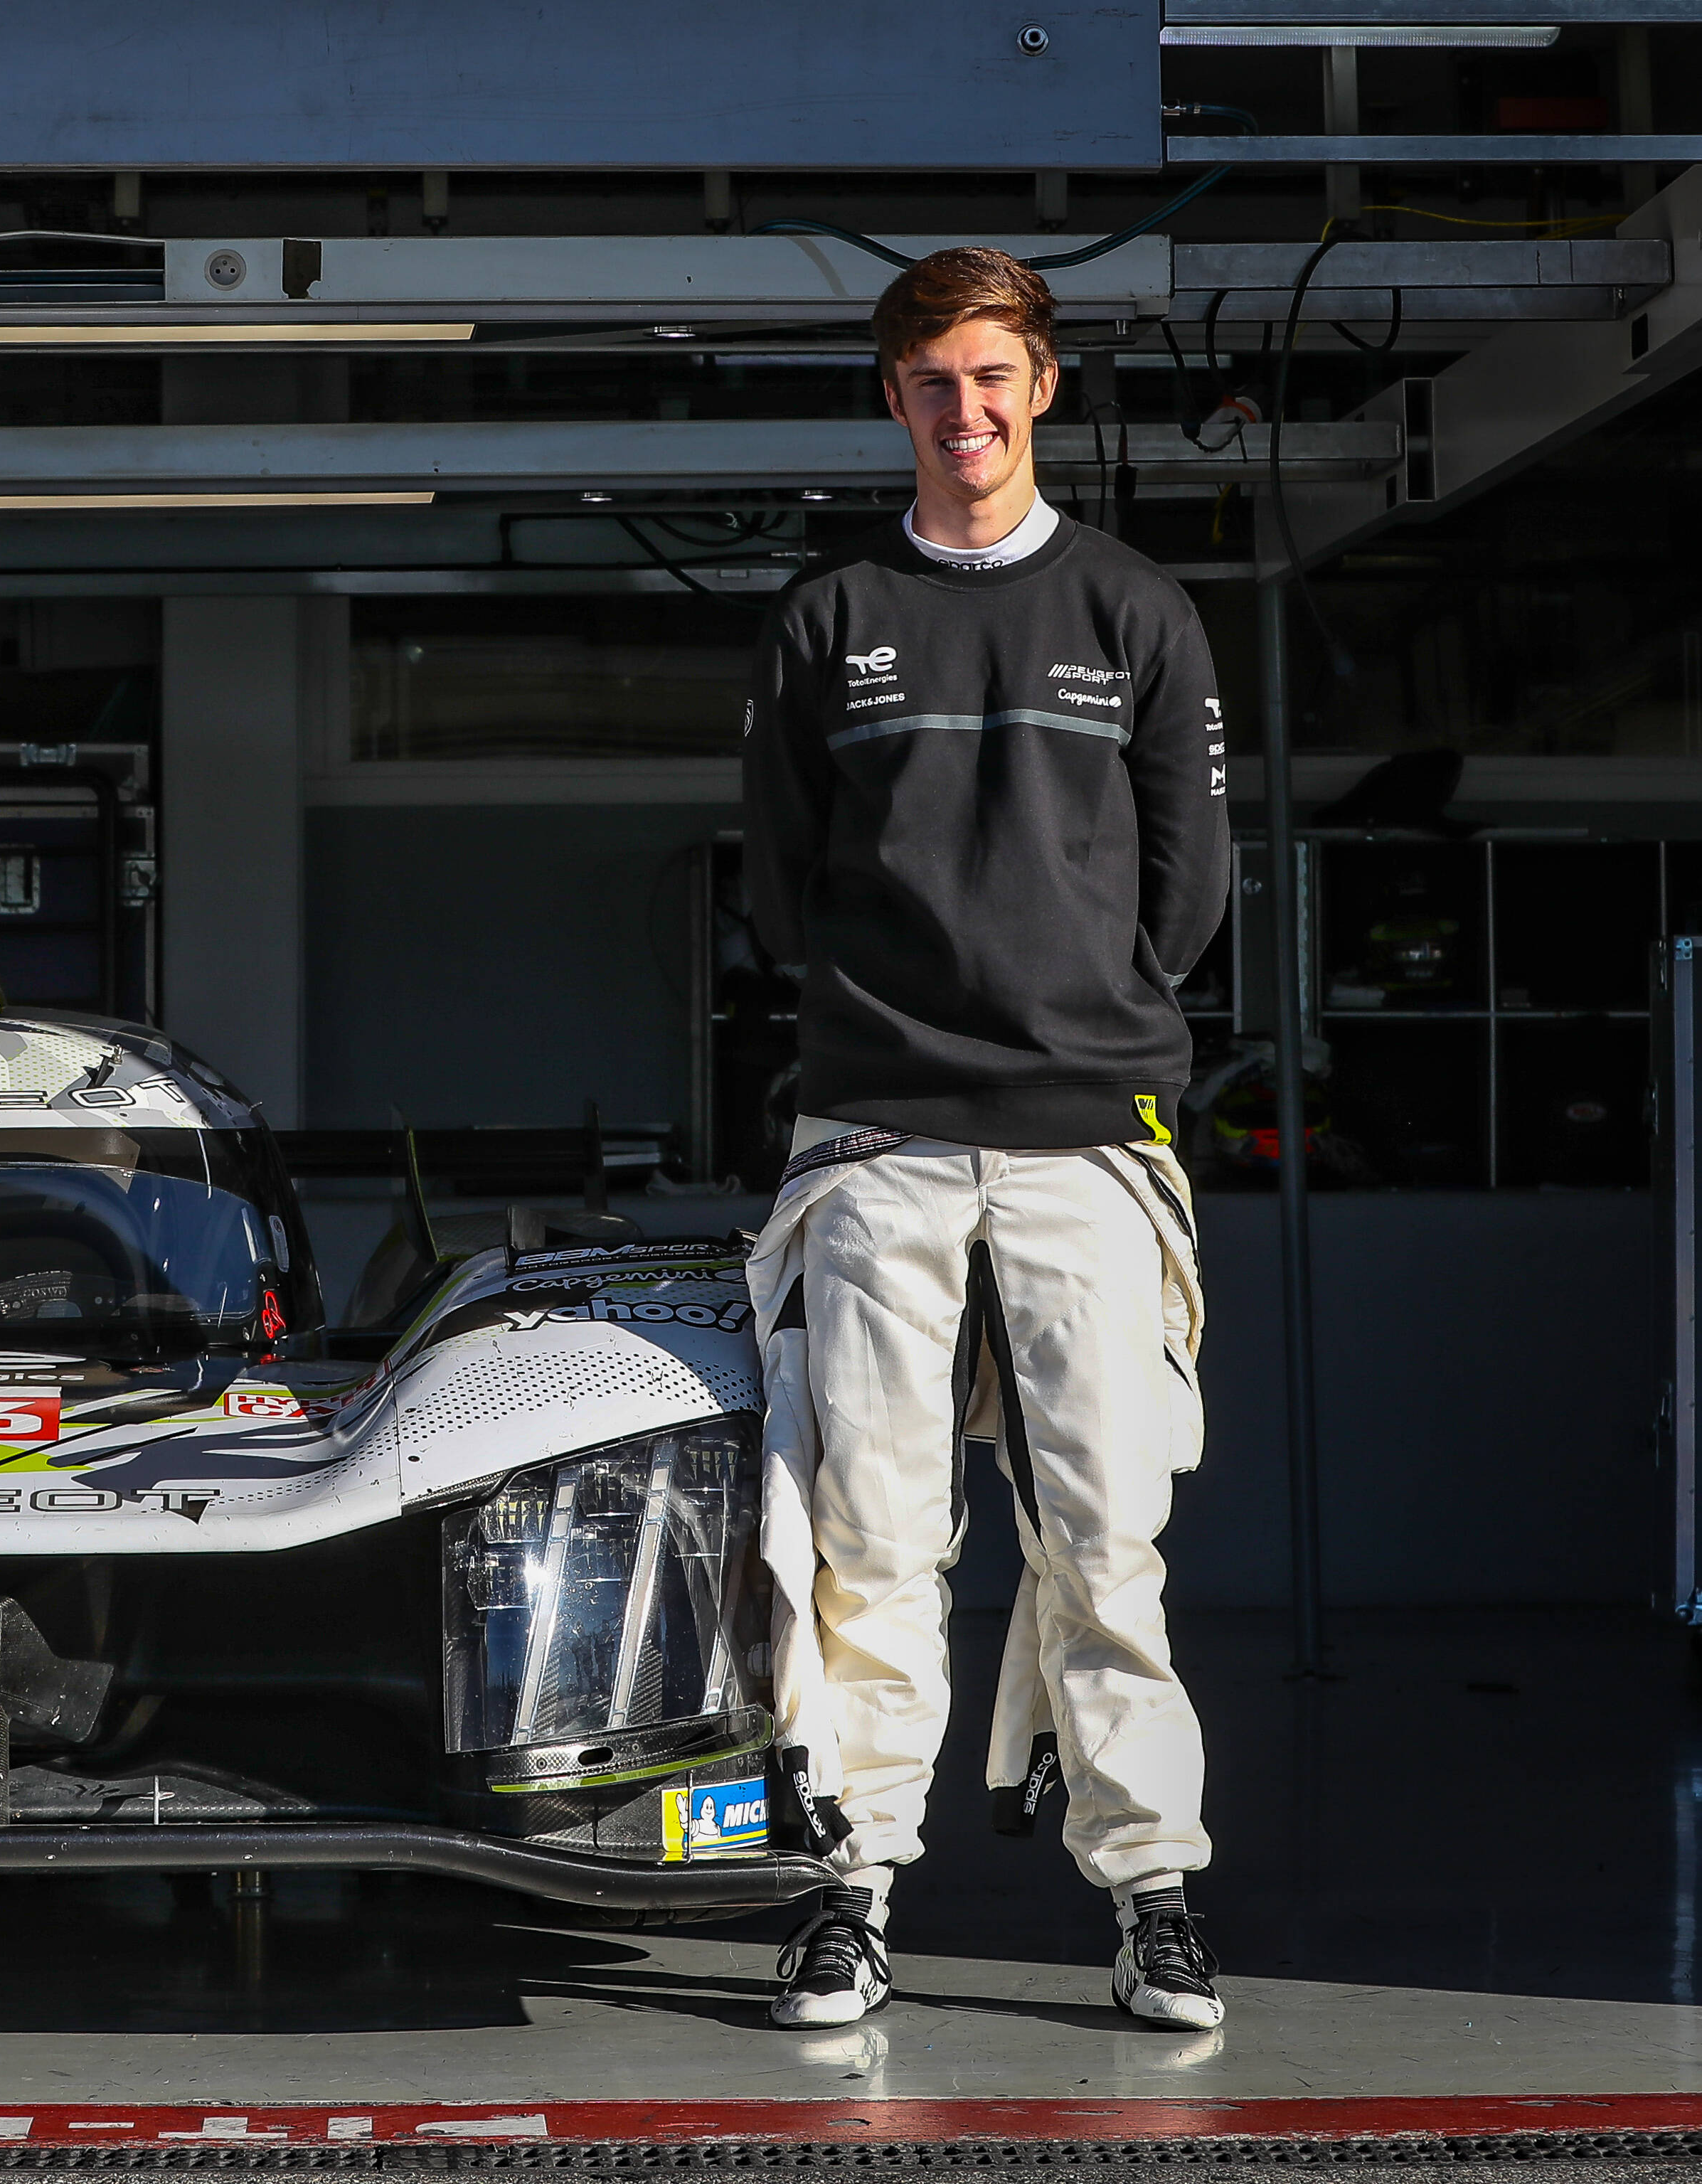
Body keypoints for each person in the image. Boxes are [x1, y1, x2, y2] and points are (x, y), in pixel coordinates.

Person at [739, 247, 1231, 2032]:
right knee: (872, 1530)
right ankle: (850, 1889)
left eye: (996, 376)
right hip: (873, 1134)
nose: (969, 409)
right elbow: (784, 890)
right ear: (896, 398)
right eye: (935, 380)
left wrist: (1064, 1015)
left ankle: (1154, 1895)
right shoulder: (825, 618)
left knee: (1104, 1532)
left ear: (1046, 389)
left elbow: (1191, 890)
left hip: (1088, 1139)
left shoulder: (1137, 613)